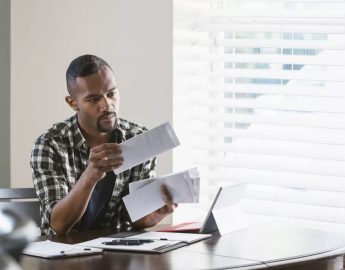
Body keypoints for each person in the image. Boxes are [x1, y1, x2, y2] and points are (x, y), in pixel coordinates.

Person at [30, 54, 175, 235]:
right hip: (64, 254)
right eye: (93, 99)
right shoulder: (49, 145)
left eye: (111, 94)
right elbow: (58, 225)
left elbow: (135, 219)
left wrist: (155, 214)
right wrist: (91, 175)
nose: (107, 106)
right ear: (73, 103)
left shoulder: (137, 138)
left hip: (119, 254)